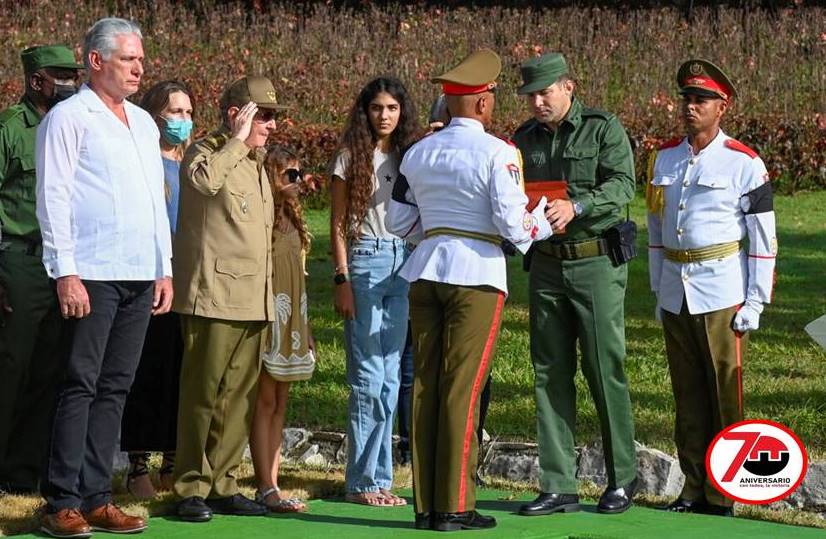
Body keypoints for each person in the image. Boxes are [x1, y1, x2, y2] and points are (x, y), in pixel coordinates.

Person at [387, 48, 552, 531]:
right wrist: (543, 218)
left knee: (426, 387)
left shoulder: (418, 151)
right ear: (482, 103)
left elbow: (399, 220)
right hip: (477, 274)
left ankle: (426, 506)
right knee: (463, 388)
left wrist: (437, 225)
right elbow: (514, 226)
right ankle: (456, 506)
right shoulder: (500, 153)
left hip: (425, 271)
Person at [36, 18, 173, 538]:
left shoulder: (143, 122)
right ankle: (61, 501)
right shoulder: (69, 118)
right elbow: (53, 197)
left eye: (140, 59)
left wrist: (164, 267)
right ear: (96, 61)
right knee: (80, 384)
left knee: (116, 386)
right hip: (91, 271)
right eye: (128, 59)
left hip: (141, 273)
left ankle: (97, 497)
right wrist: (65, 271)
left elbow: (154, 201)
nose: (139, 68)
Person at [648, 59, 776, 517]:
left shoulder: (744, 162)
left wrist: (756, 301)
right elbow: (656, 229)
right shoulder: (664, 157)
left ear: (723, 107)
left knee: (724, 394)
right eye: (686, 98)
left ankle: (725, 494)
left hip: (722, 291)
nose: (690, 107)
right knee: (687, 396)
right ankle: (692, 487)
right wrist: (658, 289)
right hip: (676, 289)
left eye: (701, 99)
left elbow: (763, 239)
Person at [512, 52, 638, 517]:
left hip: (595, 263)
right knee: (549, 371)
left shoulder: (602, 128)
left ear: (569, 86)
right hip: (545, 265)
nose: (538, 102)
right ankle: (558, 483)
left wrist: (578, 206)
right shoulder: (521, 140)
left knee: (605, 369)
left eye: (546, 92)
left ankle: (622, 478)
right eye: (531, 95)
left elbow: (624, 185)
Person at [172, 75, 283, 522]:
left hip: (252, 299)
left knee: (238, 399)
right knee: (202, 395)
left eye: (275, 117)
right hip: (214, 297)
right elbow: (202, 182)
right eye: (265, 115)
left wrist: (268, 298)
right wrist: (236, 141)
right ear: (237, 113)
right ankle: (190, 486)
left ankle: (223, 483)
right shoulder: (206, 152)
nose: (272, 126)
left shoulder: (257, 164)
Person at [329, 77, 418, 507]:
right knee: (367, 377)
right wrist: (341, 279)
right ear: (365, 112)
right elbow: (337, 224)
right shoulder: (349, 158)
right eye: (377, 108)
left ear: (402, 113)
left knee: (389, 376)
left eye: (392, 108)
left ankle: (381, 479)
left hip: (404, 262)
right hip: (364, 261)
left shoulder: (409, 157)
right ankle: (362, 482)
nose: (384, 115)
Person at [0, 45, 81, 496]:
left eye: (74, 75)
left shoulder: (73, 127)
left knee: (49, 369)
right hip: (19, 259)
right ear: (37, 81)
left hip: (63, 263)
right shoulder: (11, 129)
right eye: (62, 76)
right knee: (12, 367)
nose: (71, 83)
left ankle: (21, 473)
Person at [120, 80, 194, 499]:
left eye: (187, 112)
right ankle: (136, 465)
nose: (183, 120)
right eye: (175, 112)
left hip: (190, 283)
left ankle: (172, 460)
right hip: (151, 279)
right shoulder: (143, 163)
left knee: (179, 373)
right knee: (146, 371)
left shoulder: (191, 164)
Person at [249, 145, 315, 513]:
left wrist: (307, 329)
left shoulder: (293, 214)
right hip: (269, 315)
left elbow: (300, 278)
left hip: (293, 316)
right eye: (288, 174)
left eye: (299, 173)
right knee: (265, 399)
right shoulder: (264, 216)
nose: (297, 181)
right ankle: (264, 484)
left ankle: (274, 480)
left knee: (281, 402)